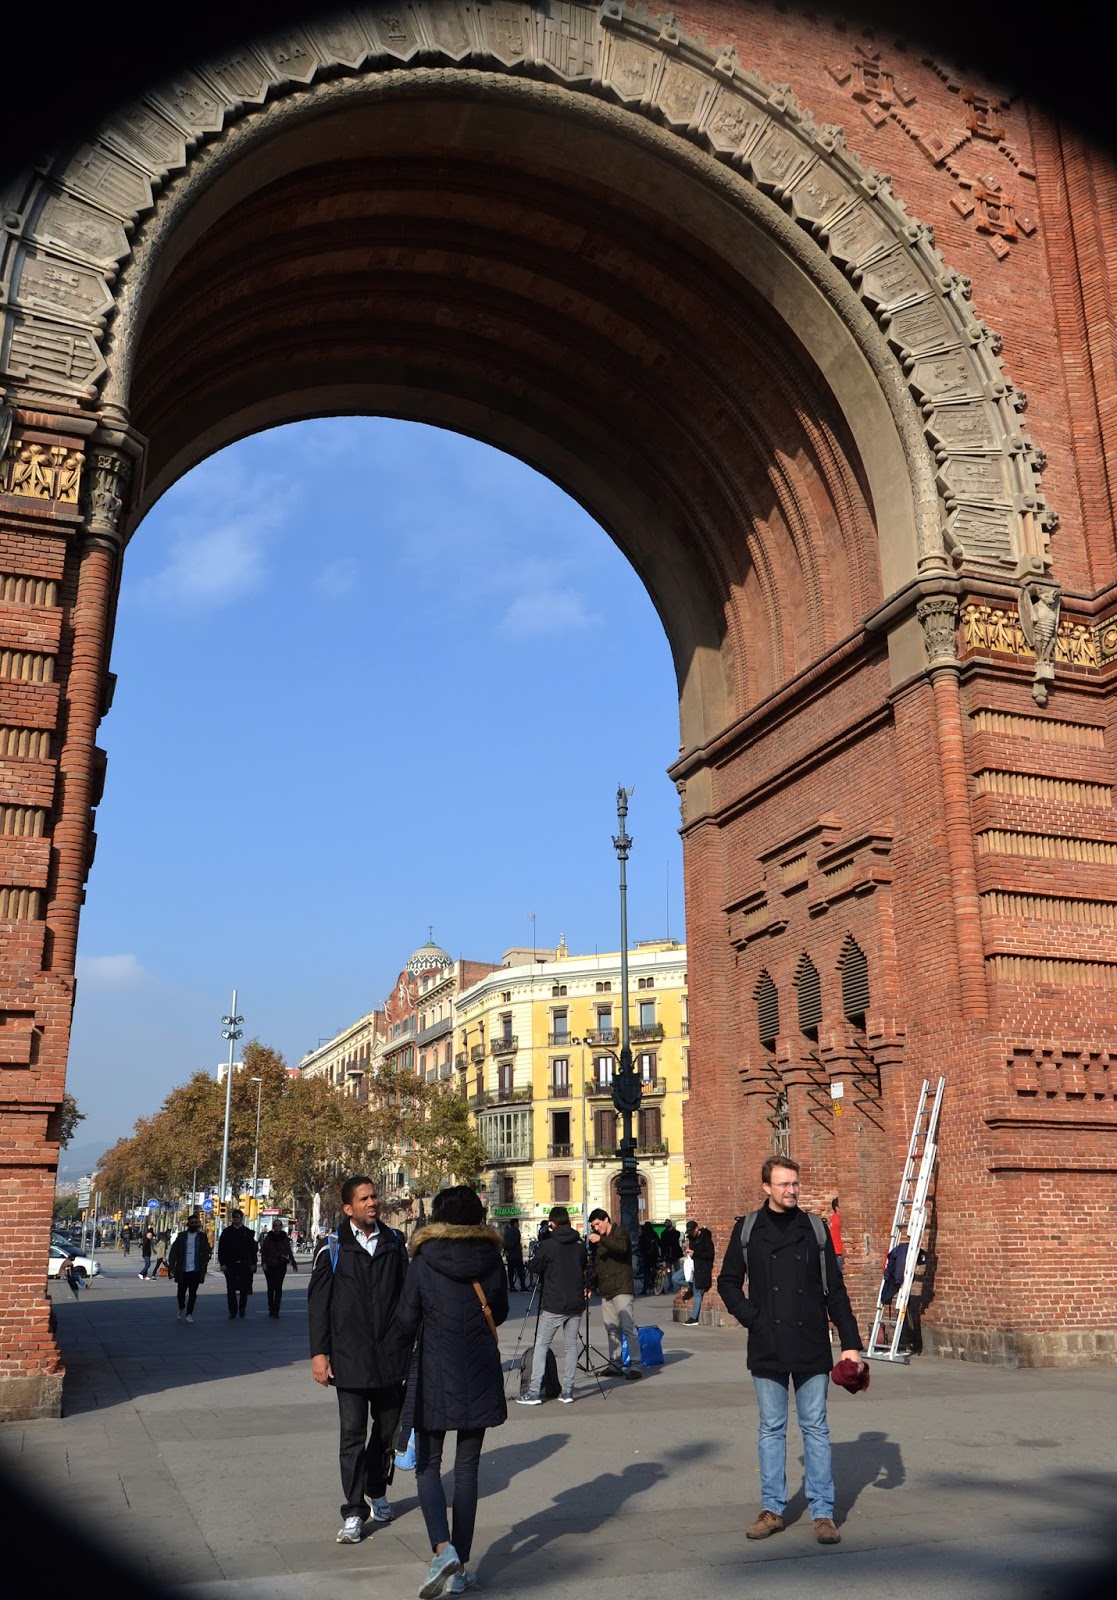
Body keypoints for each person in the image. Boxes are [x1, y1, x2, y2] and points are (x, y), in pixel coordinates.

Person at [717, 1156, 865, 1546]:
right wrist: (753, 1317)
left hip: (811, 1341)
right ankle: (772, 1509)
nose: (791, 1190)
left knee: (815, 1427)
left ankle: (822, 1512)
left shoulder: (815, 1229)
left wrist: (850, 1345)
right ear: (766, 1187)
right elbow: (728, 1281)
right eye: (783, 1184)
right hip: (767, 1341)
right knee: (771, 1428)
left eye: (795, 1184)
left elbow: (836, 1290)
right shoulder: (748, 1229)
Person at [391, 1185, 508, 1598]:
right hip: (478, 1369)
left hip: (434, 1372)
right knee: (467, 1469)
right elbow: (503, 1311)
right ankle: (461, 1567)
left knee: (428, 1464)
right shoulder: (492, 1257)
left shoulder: (422, 1261)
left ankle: (443, 1550)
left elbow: (406, 1319)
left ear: (438, 1217)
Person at [308, 1176, 409, 1546]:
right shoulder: (331, 1247)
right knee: (352, 1437)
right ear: (348, 1208)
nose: (373, 1203)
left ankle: (376, 1489)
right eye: (364, 1199)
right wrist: (319, 1354)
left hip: (390, 1360)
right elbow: (318, 1305)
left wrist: (412, 1343)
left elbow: (407, 1296)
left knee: (386, 1435)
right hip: (349, 1362)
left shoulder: (395, 1243)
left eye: (374, 1197)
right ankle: (353, 1512)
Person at [517, 1204, 587, 1405]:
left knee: (541, 1345)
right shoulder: (580, 1245)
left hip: (554, 1303)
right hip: (575, 1302)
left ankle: (533, 1392)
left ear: (553, 1224)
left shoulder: (548, 1246)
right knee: (570, 1347)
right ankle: (567, 1391)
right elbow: (583, 1267)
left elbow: (535, 1267)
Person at [586, 1207, 642, 1380]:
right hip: (606, 1290)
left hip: (622, 1288)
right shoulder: (599, 1242)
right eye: (593, 1226)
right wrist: (591, 1286)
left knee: (628, 1327)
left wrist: (601, 1239)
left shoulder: (620, 1234)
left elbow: (621, 1249)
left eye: (598, 1224)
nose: (596, 1228)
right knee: (611, 1329)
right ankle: (615, 1364)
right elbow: (598, 1266)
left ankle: (635, 1365)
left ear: (606, 1220)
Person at [168, 1213, 212, 1322]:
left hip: (196, 1270)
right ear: (188, 1224)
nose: (194, 1224)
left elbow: (206, 1251)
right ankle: (181, 1306)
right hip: (183, 1269)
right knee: (181, 1293)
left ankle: (189, 1313)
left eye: (196, 1222)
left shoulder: (202, 1236)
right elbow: (174, 1251)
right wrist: (171, 1266)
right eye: (192, 1223)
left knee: (193, 1293)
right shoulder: (182, 1236)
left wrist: (205, 1263)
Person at [217, 1209, 258, 1318]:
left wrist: (253, 1263)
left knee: (244, 1288)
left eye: (238, 1216)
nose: (236, 1218)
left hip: (244, 1264)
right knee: (231, 1288)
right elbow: (221, 1249)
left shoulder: (247, 1232)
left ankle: (242, 1308)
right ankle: (233, 1311)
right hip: (230, 1264)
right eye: (234, 1216)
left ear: (241, 1218)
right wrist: (222, 1263)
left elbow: (252, 1249)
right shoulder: (226, 1232)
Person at [260, 1218, 299, 1317]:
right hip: (269, 1265)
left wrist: (293, 1262)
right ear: (273, 1227)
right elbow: (264, 1252)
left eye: (279, 1225)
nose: (277, 1227)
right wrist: (263, 1263)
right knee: (270, 1287)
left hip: (281, 1265)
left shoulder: (284, 1237)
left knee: (278, 1287)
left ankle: (276, 1309)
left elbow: (288, 1250)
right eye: (276, 1225)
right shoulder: (268, 1237)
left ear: (282, 1227)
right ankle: (271, 1307)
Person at [685, 1225, 715, 1324]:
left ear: (697, 1228)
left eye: (692, 1231)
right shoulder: (692, 1239)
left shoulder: (705, 1238)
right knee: (676, 1278)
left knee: (697, 1293)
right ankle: (690, 1286)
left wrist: (695, 1253)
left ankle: (694, 1318)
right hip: (693, 1266)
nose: (691, 1234)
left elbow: (709, 1254)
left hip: (702, 1268)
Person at [659, 1217, 683, 1292]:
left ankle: (680, 1284)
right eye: (666, 1223)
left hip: (675, 1255)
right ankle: (670, 1284)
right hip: (668, 1256)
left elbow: (673, 1241)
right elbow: (663, 1245)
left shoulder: (676, 1233)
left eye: (668, 1223)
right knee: (668, 1271)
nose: (666, 1224)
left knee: (678, 1270)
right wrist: (663, 1255)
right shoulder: (664, 1233)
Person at [502, 1221, 527, 1293]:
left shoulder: (506, 1232)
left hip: (510, 1255)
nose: (518, 1224)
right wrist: (511, 1248)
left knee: (511, 1272)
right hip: (516, 1254)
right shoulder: (516, 1231)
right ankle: (523, 1286)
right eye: (517, 1223)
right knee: (520, 1271)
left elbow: (504, 1242)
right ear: (515, 1224)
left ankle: (512, 1286)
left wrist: (507, 1249)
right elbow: (516, 1241)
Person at [637, 1221, 660, 1296]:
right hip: (654, 1256)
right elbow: (660, 1243)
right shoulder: (654, 1234)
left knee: (646, 1272)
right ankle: (657, 1286)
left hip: (646, 1256)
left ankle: (645, 1289)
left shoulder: (643, 1235)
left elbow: (640, 1246)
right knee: (654, 1271)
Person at [829, 1197, 844, 1271]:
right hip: (838, 1252)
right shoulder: (838, 1219)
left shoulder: (833, 1218)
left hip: (835, 1251)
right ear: (837, 1208)